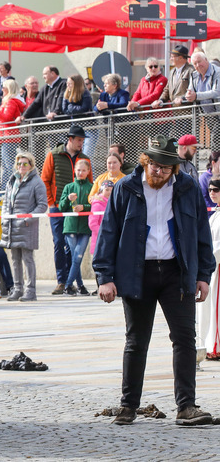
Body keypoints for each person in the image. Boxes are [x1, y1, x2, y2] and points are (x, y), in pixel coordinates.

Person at [93, 136, 215, 426]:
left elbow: (201, 234)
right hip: (138, 272)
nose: (157, 172)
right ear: (144, 162)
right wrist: (105, 277)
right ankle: (127, 407)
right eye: (153, 165)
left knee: (185, 339)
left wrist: (203, 276)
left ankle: (186, 407)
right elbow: (108, 232)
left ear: (174, 168)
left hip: (177, 271)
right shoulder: (126, 188)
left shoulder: (187, 187)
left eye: (164, 167)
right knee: (136, 341)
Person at [42, 125, 89, 294]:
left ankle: (71, 281)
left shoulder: (84, 158)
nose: (81, 143)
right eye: (79, 140)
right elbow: (45, 180)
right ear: (70, 139)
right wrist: (51, 203)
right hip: (57, 207)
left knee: (72, 246)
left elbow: (89, 183)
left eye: (83, 141)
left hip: (76, 210)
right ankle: (62, 281)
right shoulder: (53, 155)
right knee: (59, 243)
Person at [1, 151, 48, 302]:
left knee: (28, 259)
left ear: (31, 165)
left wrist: (28, 219)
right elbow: (6, 203)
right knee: (15, 259)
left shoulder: (37, 182)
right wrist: (5, 218)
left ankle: (31, 291)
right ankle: (17, 289)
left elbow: (42, 205)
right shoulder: (11, 181)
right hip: (12, 227)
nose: (21, 166)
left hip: (27, 227)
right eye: (19, 163)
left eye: (25, 163)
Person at [59, 159, 94, 296]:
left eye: (84, 170)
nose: (80, 173)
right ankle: (79, 286)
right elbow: (61, 207)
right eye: (78, 170)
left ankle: (69, 285)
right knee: (76, 257)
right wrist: (68, 198)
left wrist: (84, 207)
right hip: (70, 227)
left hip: (85, 228)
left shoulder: (91, 187)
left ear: (88, 172)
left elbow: (94, 205)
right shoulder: (68, 187)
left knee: (77, 256)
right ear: (74, 170)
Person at [0, 79, 26, 189]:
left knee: (10, 166)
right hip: (6, 137)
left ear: (8, 89)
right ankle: (5, 188)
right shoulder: (7, 101)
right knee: (6, 166)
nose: (1, 89)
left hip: (9, 137)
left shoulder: (11, 102)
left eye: (3, 87)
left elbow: (6, 118)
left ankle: (14, 187)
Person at [200, 178, 220, 360]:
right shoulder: (214, 215)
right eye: (210, 189)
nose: (212, 192)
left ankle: (216, 346)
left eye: (216, 189)